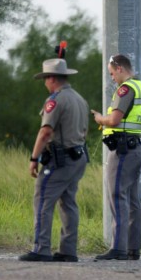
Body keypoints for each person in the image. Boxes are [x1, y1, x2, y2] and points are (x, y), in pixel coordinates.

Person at [18, 58, 90, 262]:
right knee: (68, 202)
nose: (44, 83)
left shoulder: (55, 100)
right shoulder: (79, 99)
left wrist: (34, 158)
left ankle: (41, 248)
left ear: (52, 79)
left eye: (45, 78)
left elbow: (45, 132)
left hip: (61, 159)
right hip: (79, 156)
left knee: (42, 200)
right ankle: (68, 250)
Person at [91, 54, 141, 261]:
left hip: (124, 150)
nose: (112, 78)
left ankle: (118, 248)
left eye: (111, 73)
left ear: (119, 68)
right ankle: (133, 248)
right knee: (133, 198)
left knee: (117, 196)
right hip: (138, 147)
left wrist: (100, 118)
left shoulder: (126, 89)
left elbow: (115, 120)